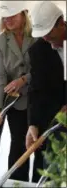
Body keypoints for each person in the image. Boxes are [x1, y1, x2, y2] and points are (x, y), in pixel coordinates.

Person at [0, 1, 36, 181]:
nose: (8, 19)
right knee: (18, 144)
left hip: (38, 98)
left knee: (40, 145)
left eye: (12, 15)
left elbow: (45, 69)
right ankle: (17, 183)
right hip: (15, 102)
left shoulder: (39, 36)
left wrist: (24, 79)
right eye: (5, 16)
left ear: (24, 14)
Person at [26, 1, 66, 182]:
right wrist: (33, 124)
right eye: (42, 35)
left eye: (49, 33)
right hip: (53, 114)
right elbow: (37, 89)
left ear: (61, 23)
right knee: (46, 165)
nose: (46, 39)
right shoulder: (38, 50)